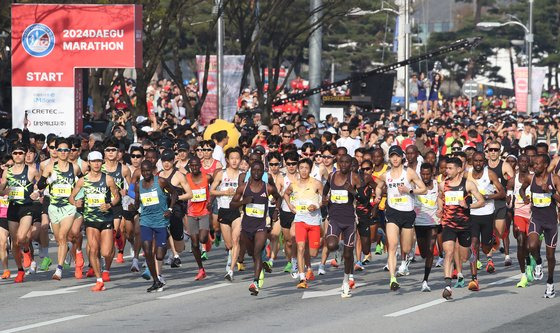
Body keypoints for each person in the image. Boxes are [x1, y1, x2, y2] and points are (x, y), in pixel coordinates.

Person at [374, 145, 426, 291]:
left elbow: (424, 189)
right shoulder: (386, 175)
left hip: (407, 213)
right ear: (389, 158)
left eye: (397, 156)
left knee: (406, 248)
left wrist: (409, 190)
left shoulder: (409, 172)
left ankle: (405, 259)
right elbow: (378, 186)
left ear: (401, 157)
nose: (395, 159)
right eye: (392, 156)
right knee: (392, 245)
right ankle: (393, 278)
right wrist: (378, 195)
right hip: (392, 212)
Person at [69, 151, 120, 291]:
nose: (96, 164)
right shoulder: (83, 180)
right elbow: (71, 197)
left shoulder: (108, 179)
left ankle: (105, 268)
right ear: (89, 163)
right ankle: (99, 280)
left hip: (106, 218)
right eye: (94, 161)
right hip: (91, 219)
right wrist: (76, 203)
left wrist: (109, 205)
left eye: (99, 161)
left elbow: (117, 197)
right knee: (93, 249)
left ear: (102, 162)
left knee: (106, 252)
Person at [230, 160, 281, 296]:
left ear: (263, 172)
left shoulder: (267, 188)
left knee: (257, 252)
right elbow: (232, 205)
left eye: (259, 170)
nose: (257, 173)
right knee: (252, 253)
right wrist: (243, 202)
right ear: (250, 172)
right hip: (246, 227)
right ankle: (263, 263)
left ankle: (255, 283)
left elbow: (278, 198)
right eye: (254, 170)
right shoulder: (243, 188)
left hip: (261, 226)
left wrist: (276, 210)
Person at [437, 157, 485, 300]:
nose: (447, 170)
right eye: (446, 168)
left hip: (464, 225)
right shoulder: (442, 185)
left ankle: (472, 257)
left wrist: (468, 206)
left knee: (464, 256)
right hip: (448, 224)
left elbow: (481, 201)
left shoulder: (468, 184)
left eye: (450, 168)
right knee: (449, 252)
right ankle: (447, 286)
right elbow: (440, 197)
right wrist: (440, 208)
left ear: (459, 169)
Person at [37, 137, 81, 280]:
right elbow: (40, 185)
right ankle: (66, 251)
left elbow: (84, 182)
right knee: (58, 239)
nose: (62, 152)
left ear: (70, 151)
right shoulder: (50, 167)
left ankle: (59, 269)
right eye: (60, 149)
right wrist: (49, 180)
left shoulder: (74, 168)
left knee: (62, 236)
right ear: (56, 150)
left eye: (66, 150)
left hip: (69, 207)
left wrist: (78, 199)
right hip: (54, 207)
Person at [520, 154, 560, 298]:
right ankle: (537, 261)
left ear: (545, 165)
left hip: (551, 222)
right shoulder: (530, 178)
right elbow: (521, 189)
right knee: (531, 246)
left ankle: (550, 284)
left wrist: (550, 192)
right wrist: (524, 196)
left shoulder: (554, 179)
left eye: (538, 164)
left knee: (551, 256)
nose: (534, 166)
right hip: (536, 219)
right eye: (534, 164)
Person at [322, 154, 362, 297]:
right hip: (334, 218)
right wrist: (324, 199)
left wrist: (352, 191)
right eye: (341, 162)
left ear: (350, 164)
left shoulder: (354, 177)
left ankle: (346, 281)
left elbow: (363, 197)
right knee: (331, 244)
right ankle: (340, 247)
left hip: (350, 220)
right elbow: (326, 188)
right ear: (338, 163)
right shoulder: (332, 176)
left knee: (348, 254)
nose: (344, 165)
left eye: (347, 162)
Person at [134, 160, 177, 292]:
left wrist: (170, 209)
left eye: (148, 170)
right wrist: (133, 207)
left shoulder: (161, 181)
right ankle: (156, 280)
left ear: (153, 170)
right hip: (146, 221)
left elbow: (174, 193)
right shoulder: (138, 185)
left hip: (160, 221)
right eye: (143, 171)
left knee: (159, 255)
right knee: (147, 252)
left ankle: (165, 257)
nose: (146, 173)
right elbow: (137, 202)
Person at [0, 143, 40, 283]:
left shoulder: (31, 170)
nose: (18, 155)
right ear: (12, 155)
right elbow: (2, 188)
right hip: (12, 207)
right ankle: (20, 270)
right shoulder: (7, 172)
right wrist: (3, 191)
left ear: (24, 154)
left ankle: (27, 250)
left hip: (26, 207)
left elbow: (40, 184)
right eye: (15, 153)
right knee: (15, 243)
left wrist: (37, 192)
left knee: (22, 237)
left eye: (20, 153)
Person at [466, 151, 505, 291]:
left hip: (487, 214)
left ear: (484, 161)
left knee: (485, 248)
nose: (478, 163)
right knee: (473, 244)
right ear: (472, 161)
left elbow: (502, 192)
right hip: (472, 214)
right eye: (475, 161)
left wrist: (487, 196)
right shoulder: (467, 174)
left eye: (480, 161)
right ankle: (474, 279)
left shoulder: (490, 174)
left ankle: (492, 239)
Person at [283, 158, 323, 289]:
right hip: (300, 219)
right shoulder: (293, 184)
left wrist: (316, 205)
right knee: (300, 247)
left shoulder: (316, 183)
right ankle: (302, 277)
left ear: (310, 169)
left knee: (313, 253)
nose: (304, 170)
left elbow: (324, 200)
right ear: (298, 169)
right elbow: (286, 194)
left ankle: (309, 266)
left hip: (314, 222)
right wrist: (290, 206)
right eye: (301, 168)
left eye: (306, 168)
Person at [210, 147, 242, 281]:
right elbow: (212, 191)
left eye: (237, 158)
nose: (235, 161)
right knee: (229, 244)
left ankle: (231, 270)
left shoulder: (243, 175)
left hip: (238, 211)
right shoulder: (221, 174)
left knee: (236, 240)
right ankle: (231, 255)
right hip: (224, 209)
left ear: (240, 160)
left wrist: (238, 195)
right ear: (227, 160)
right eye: (232, 158)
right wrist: (224, 192)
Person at [487, 141, 515, 270]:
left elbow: (513, 181)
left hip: (500, 202)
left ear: (500, 152)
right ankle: (490, 259)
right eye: (491, 149)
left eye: (495, 150)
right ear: (487, 151)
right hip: (486, 203)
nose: (493, 152)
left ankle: (498, 247)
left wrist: (510, 196)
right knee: (488, 231)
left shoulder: (504, 166)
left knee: (498, 232)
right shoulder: (482, 165)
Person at [507, 154, 533, 288]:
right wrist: (508, 202)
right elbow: (509, 202)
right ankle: (523, 274)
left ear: (529, 163)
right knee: (521, 241)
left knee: (530, 246)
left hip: (533, 214)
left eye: (525, 161)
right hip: (519, 213)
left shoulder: (534, 177)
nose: (523, 163)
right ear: (518, 163)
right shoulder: (513, 180)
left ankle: (530, 261)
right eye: (521, 161)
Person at [186, 156, 213, 281]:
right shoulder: (186, 179)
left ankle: (208, 239)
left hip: (204, 212)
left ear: (200, 166)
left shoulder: (207, 177)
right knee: (195, 243)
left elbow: (213, 187)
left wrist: (210, 200)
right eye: (192, 165)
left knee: (202, 238)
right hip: (191, 213)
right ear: (190, 166)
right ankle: (201, 269)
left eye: (196, 165)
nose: (194, 167)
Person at [414, 163, 439, 292]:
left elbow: (441, 198)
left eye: (427, 174)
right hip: (419, 223)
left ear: (432, 173)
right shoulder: (415, 186)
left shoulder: (437, 184)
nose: (425, 177)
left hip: (434, 222)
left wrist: (441, 209)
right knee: (423, 253)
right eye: (423, 174)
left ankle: (425, 280)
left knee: (430, 250)